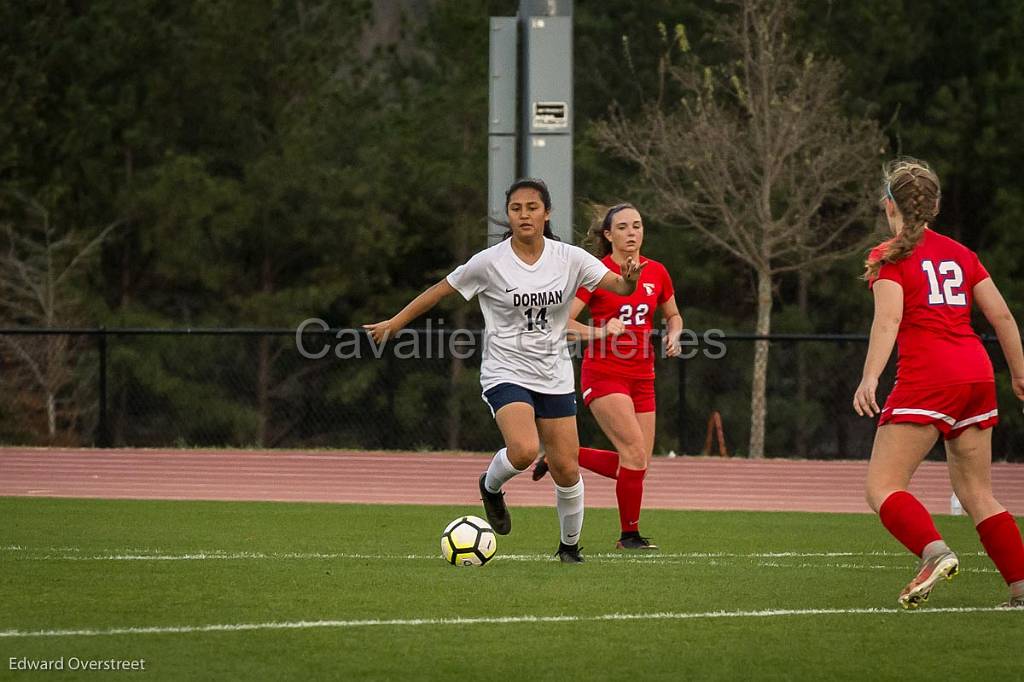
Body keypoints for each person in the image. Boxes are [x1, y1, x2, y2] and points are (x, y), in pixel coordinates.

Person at [364, 179, 646, 563]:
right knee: (526, 449)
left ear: (546, 213)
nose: (524, 214)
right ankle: (490, 485)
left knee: (566, 466)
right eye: (516, 208)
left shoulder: (570, 258)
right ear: (508, 215)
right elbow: (441, 289)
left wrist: (629, 279)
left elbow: (619, 285)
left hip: (554, 372)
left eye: (532, 207)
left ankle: (568, 548)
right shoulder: (490, 261)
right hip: (506, 369)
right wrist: (396, 322)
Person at [853, 157, 1024, 609]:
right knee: (977, 494)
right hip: (976, 374)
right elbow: (1003, 317)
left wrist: (869, 377)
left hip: (930, 377)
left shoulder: (889, 255)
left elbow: (888, 320)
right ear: (934, 205)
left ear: (890, 205)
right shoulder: (962, 254)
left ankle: (934, 553)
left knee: (883, 487)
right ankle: (1022, 587)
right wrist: (1020, 374)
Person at [532, 203, 683, 550]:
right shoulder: (596, 274)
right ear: (608, 234)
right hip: (604, 375)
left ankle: (561, 454)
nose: (632, 233)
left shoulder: (657, 272)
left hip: (643, 377)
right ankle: (629, 536)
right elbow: (563, 325)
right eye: (624, 227)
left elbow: (673, 315)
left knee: (636, 463)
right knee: (632, 453)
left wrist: (674, 334)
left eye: (638, 226)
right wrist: (601, 331)